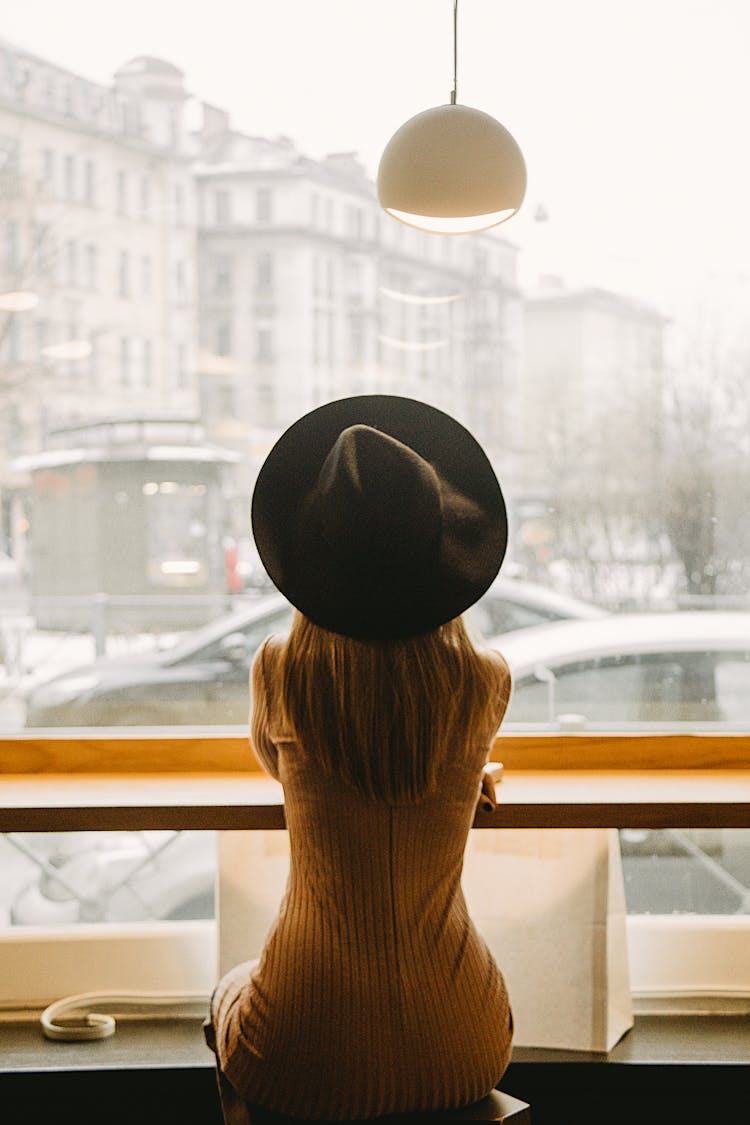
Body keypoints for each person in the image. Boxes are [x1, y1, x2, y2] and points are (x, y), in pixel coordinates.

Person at [205, 394, 514, 1121]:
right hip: (465, 1042)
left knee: (230, 989)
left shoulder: (281, 671)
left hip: (298, 1054)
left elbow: (290, 774)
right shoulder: (485, 681)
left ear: (313, 559)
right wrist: (468, 777)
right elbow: (432, 763)